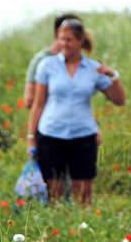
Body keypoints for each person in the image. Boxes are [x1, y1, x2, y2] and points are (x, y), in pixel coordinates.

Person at [27, 18, 125, 205]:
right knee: (54, 193)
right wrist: (31, 137)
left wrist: (113, 76)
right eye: (61, 39)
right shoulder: (47, 65)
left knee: (83, 195)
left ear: (80, 41)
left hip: (83, 136)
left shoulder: (93, 69)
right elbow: (38, 104)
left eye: (69, 40)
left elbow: (119, 100)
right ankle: (56, 229)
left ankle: (82, 229)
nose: (64, 44)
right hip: (51, 134)